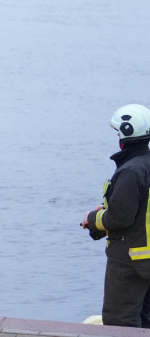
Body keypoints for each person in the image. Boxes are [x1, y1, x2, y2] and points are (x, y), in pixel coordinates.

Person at [82, 104, 150, 328]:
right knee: (146, 317)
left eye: (118, 131)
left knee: (120, 321)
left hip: (130, 259)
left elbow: (120, 218)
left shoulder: (131, 170)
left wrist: (93, 218)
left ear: (126, 132)